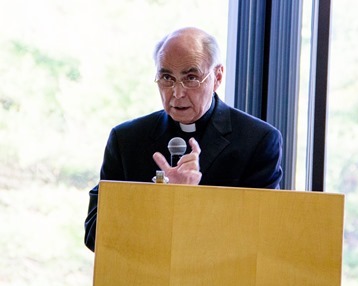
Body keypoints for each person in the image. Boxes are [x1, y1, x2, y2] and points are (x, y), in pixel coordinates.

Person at [84, 27, 283, 252]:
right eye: (167, 78)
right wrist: (161, 202)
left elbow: (258, 239)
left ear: (217, 77)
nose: (177, 93)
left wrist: (189, 200)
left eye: (191, 78)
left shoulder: (257, 140)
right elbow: (94, 234)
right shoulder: (127, 139)